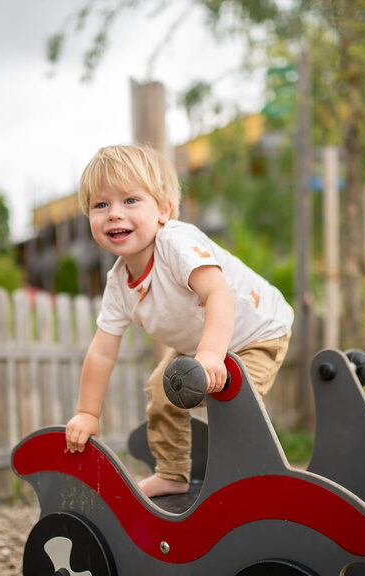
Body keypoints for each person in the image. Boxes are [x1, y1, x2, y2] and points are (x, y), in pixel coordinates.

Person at [65, 144, 293, 497]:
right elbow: (102, 352)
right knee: (161, 391)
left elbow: (219, 294)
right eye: (100, 204)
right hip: (202, 344)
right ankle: (173, 474)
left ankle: (254, 479)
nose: (113, 213)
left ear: (163, 211)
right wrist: (86, 413)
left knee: (235, 401)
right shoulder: (117, 284)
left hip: (258, 332)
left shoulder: (175, 241)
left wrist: (212, 355)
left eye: (130, 201)